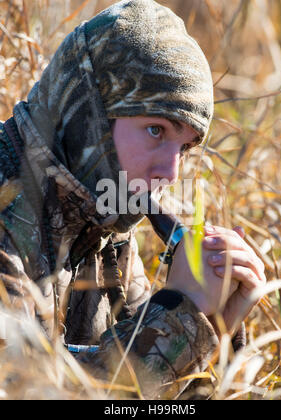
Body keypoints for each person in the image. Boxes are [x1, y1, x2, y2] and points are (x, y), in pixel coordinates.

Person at [0, 0, 265, 399]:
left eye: (186, 146)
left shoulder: (104, 226)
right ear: (89, 114)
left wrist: (213, 329)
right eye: (156, 130)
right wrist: (178, 314)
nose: (172, 173)